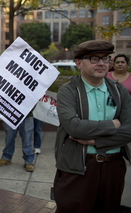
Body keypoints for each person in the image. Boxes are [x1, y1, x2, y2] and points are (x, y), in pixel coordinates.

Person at [53, 40, 131, 213]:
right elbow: (74, 128)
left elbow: (129, 130)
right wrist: (112, 124)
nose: (102, 63)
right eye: (94, 59)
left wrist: (96, 141)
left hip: (113, 168)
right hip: (78, 169)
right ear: (78, 63)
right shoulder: (68, 91)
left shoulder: (119, 90)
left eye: (105, 58)